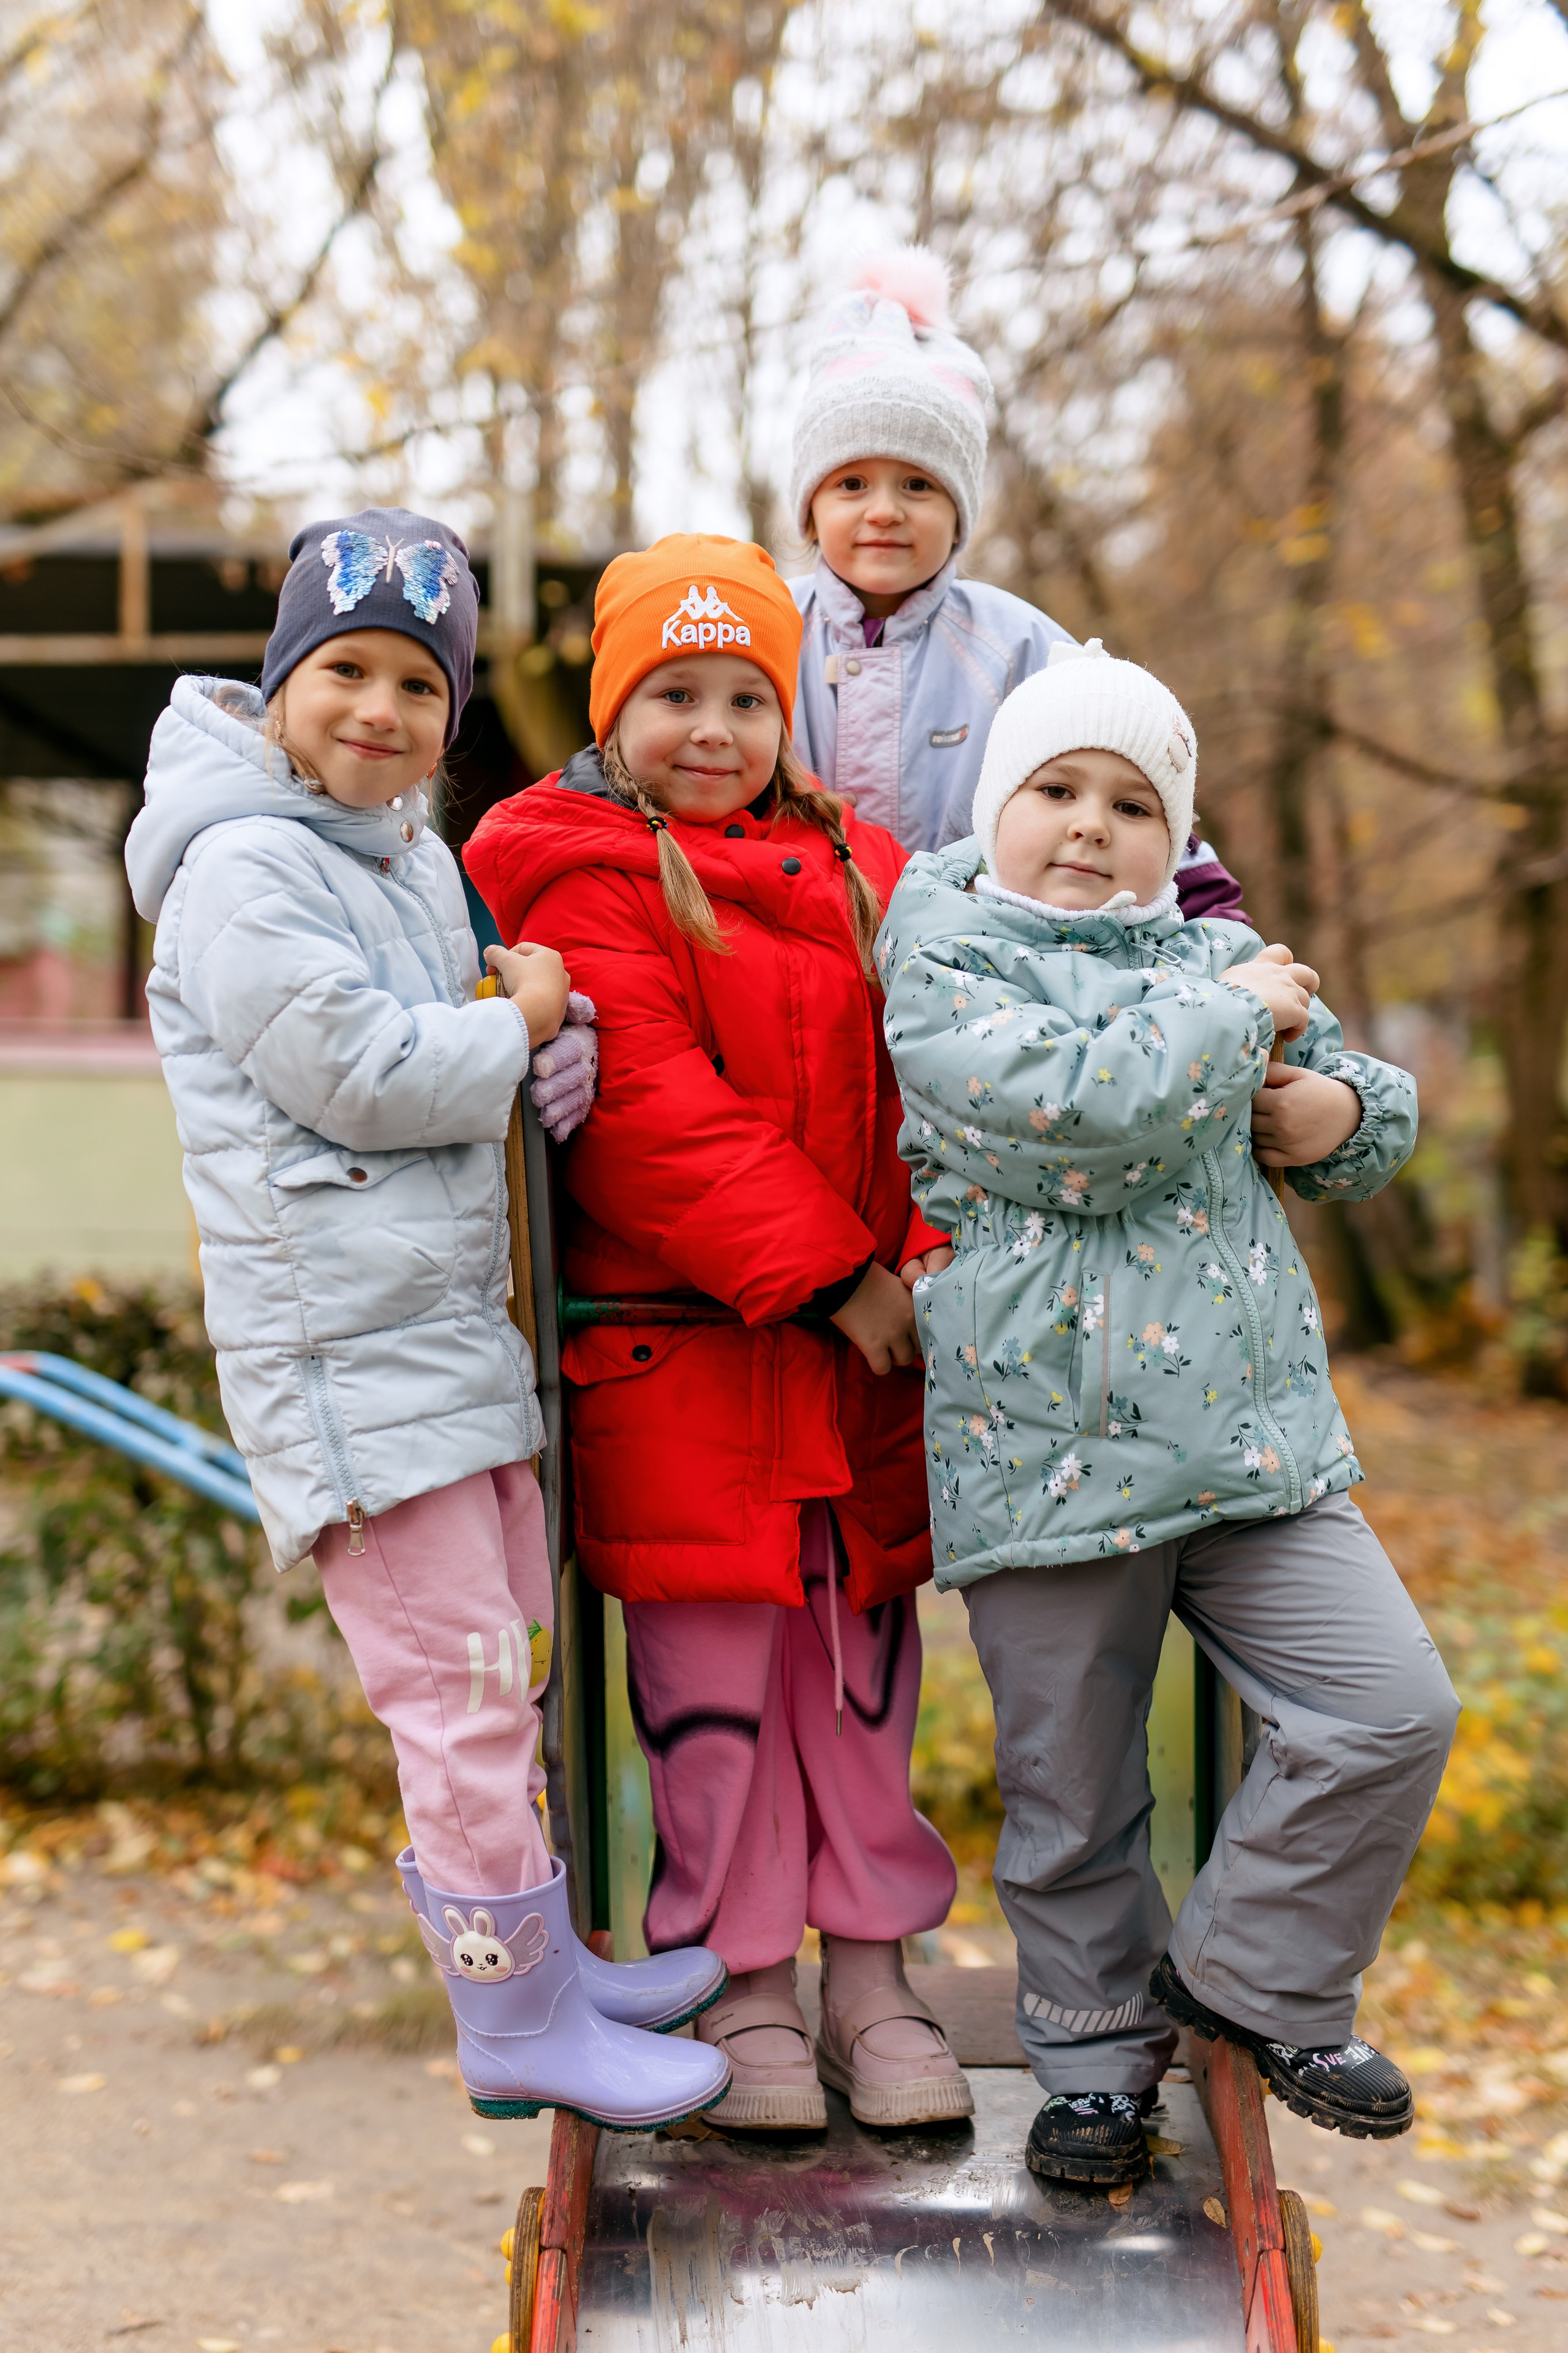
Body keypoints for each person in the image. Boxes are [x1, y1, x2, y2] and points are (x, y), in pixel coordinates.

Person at [124, 508, 730, 2133]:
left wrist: (541, 1031)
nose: (381, 711)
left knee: (498, 1667)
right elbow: (362, 1074)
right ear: (279, 684)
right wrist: (514, 1024)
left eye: (419, 685)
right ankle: (513, 2019)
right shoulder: (245, 867)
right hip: (350, 1364)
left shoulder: (388, 853)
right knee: (457, 1702)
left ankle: (546, 1969)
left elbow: (457, 1019)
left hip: (433, 1339)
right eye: (346, 672)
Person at [876, 637, 1459, 2188]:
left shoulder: (1216, 955)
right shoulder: (943, 957)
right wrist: (1230, 1025)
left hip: (1251, 1452)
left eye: (1132, 803)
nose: (1089, 824)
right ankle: (1089, 2063)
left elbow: (1356, 1106)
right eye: (1055, 789)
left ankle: (1253, 1975)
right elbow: (1075, 1123)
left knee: (1386, 1708)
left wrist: (1338, 1109)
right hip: (1046, 1456)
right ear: (996, 806)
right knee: (1072, 1792)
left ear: (1172, 833)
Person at [464, 534, 973, 2132]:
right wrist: (839, 1278)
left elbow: (946, 1075)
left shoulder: (867, 869)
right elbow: (654, 1120)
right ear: (613, 712)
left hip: (862, 1372)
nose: (712, 729)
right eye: (673, 694)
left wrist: (929, 1262)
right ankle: (738, 1978)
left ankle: (873, 1974)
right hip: (688, 1364)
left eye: (746, 697)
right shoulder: (585, 876)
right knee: (715, 1705)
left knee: (861, 1683)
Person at [786, 247, 1245, 921]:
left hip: (984, 965)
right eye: (852, 483)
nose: (884, 511)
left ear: (959, 514)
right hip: (792, 955)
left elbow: (1133, 777)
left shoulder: (1018, 648)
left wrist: (1222, 930)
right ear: (809, 508)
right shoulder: (766, 631)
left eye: (918, 485)